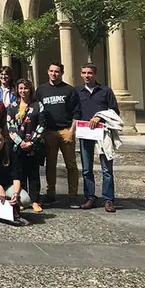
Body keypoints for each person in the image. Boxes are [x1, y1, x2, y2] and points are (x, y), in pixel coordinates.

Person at [35, 62, 81, 208]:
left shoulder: (69, 90)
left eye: (57, 71)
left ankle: (73, 195)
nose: (54, 74)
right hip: (49, 131)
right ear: (48, 72)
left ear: (62, 73)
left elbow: (76, 111)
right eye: (51, 71)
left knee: (71, 165)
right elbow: (37, 110)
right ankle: (50, 194)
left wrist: (72, 131)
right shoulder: (41, 90)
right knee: (50, 165)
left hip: (65, 131)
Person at [75, 63, 119, 213]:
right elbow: (75, 111)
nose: (87, 76)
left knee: (107, 169)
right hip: (85, 133)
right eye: (84, 73)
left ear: (95, 74)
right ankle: (90, 197)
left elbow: (114, 111)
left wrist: (100, 117)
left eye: (90, 73)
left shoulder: (106, 91)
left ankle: (108, 200)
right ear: (81, 74)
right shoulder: (78, 91)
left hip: (103, 133)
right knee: (87, 168)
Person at [0, 127, 32, 225]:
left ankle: (12, 208)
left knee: (26, 200)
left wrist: (15, 193)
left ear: (4, 140)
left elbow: (17, 176)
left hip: (8, 185)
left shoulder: (11, 152)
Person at [7, 78, 46, 213]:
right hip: (18, 146)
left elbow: (42, 125)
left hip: (33, 146)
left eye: (26, 88)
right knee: (20, 173)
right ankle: (22, 200)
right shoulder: (12, 106)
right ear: (17, 90)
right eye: (21, 88)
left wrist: (32, 142)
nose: (23, 91)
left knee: (33, 174)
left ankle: (35, 200)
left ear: (30, 89)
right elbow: (10, 126)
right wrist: (20, 142)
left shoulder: (38, 105)